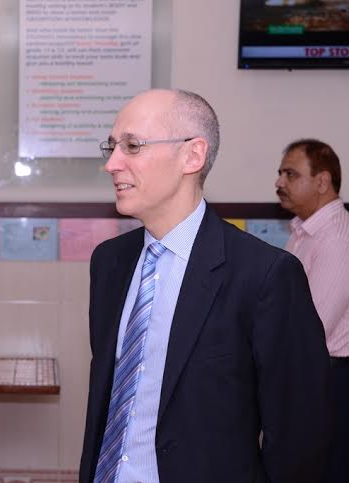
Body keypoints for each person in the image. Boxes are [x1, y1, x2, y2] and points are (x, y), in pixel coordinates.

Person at [80, 89, 330, 483]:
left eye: (132, 146)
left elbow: (298, 436)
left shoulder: (264, 275)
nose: (112, 164)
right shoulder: (109, 262)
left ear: (192, 156)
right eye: (112, 147)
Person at [275, 139, 349, 483]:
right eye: (280, 173)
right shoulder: (305, 230)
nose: (279, 182)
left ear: (322, 181)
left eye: (291, 174)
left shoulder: (336, 238)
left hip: (330, 379)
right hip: (308, 374)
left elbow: (313, 331)